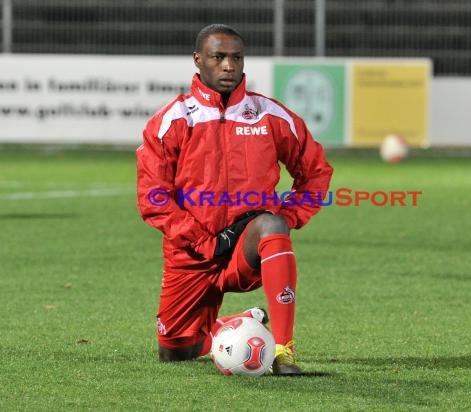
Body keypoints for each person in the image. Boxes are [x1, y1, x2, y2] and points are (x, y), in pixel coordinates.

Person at [136, 23, 333, 375]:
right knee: (176, 352)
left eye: (236, 57)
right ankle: (242, 322)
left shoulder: (270, 116)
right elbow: (153, 197)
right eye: (219, 57)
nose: (229, 65)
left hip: (247, 243)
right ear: (198, 60)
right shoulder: (173, 120)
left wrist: (288, 217)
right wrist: (202, 241)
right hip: (192, 252)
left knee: (271, 224)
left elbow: (315, 172)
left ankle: (282, 351)